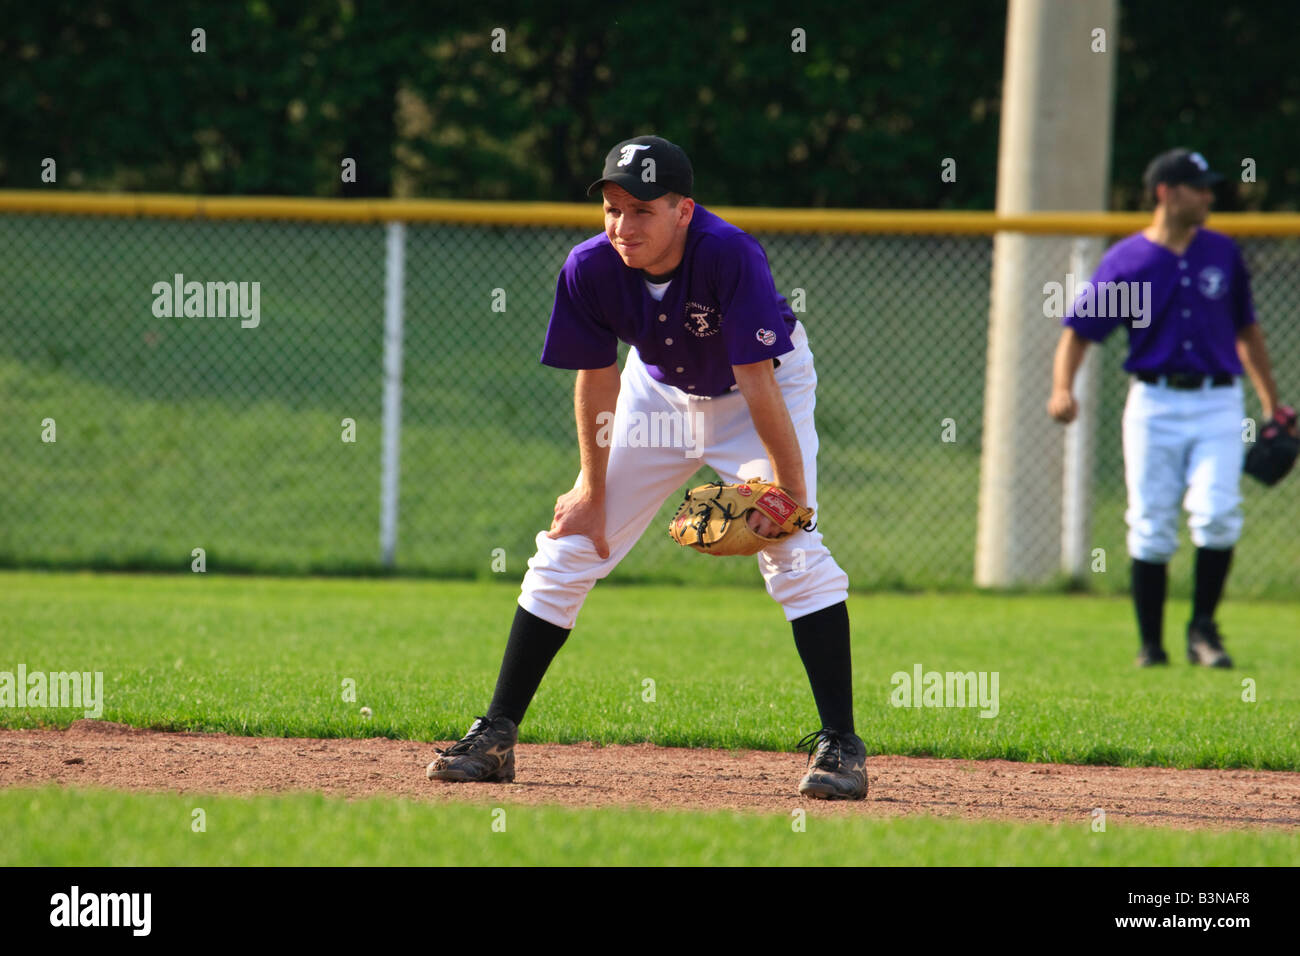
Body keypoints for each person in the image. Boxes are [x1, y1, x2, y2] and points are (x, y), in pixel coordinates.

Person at [427, 134, 866, 799]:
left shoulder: (729, 254)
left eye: (642, 210)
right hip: (654, 392)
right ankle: (495, 735)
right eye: (612, 208)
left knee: (797, 554)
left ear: (683, 210)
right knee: (572, 542)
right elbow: (597, 379)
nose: (623, 226)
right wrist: (591, 487)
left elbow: (756, 379)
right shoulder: (589, 267)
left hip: (757, 396)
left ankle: (841, 747)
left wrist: (790, 498)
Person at [1047, 148, 1284, 668]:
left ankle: (1204, 631)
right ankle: (1151, 646)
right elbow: (1079, 331)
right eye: (1198, 187)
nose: (1208, 196)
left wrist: (1272, 403)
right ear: (1166, 192)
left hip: (1219, 400)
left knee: (1218, 514)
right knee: (1151, 523)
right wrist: (1063, 387)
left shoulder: (1222, 252)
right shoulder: (1129, 261)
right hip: (1152, 402)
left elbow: (1248, 330)